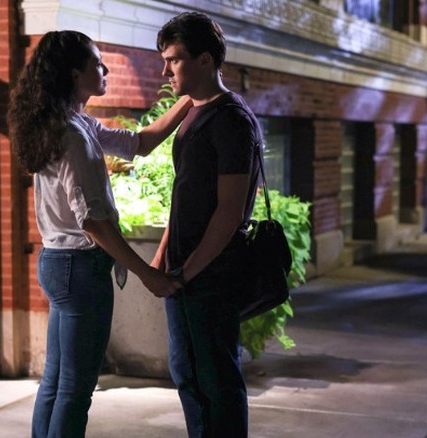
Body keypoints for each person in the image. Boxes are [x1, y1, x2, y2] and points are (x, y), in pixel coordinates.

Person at [7, 30, 191, 438]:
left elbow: (139, 144)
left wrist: (187, 99)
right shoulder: (72, 135)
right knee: (75, 388)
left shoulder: (72, 123)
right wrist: (149, 273)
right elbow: (93, 222)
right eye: (96, 63)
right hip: (79, 268)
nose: (104, 69)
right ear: (75, 73)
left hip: (58, 264)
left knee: (56, 383)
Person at [151, 12, 262, 437]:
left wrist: (187, 271)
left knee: (216, 377)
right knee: (188, 373)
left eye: (174, 60)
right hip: (183, 273)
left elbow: (230, 211)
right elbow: (186, 196)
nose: (166, 70)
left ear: (205, 60)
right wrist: (164, 256)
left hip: (210, 274)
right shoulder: (193, 110)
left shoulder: (231, 119)